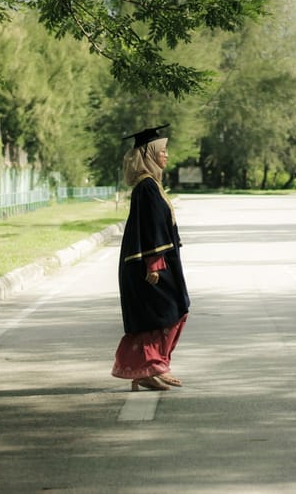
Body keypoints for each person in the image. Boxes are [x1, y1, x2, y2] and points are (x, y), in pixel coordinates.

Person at [111, 124, 191, 391]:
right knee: (165, 312)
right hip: (151, 264)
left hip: (157, 261)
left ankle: (154, 366)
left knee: (168, 311)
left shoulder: (150, 184)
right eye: (162, 151)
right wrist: (154, 263)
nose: (166, 155)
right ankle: (151, 367)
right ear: (149, 154)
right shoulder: (146, 187)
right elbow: (150, 228)